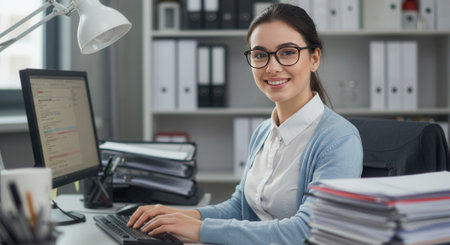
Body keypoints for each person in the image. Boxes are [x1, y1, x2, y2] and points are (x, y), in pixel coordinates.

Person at [127, 3, 363, 244]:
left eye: (288, 52)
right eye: (260, 55)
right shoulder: (263, 132)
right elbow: (242, 208)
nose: (272, 67)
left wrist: (198, 230)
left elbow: (307, 230)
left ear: (314, 59)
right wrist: (179, 216)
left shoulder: (339, 140)